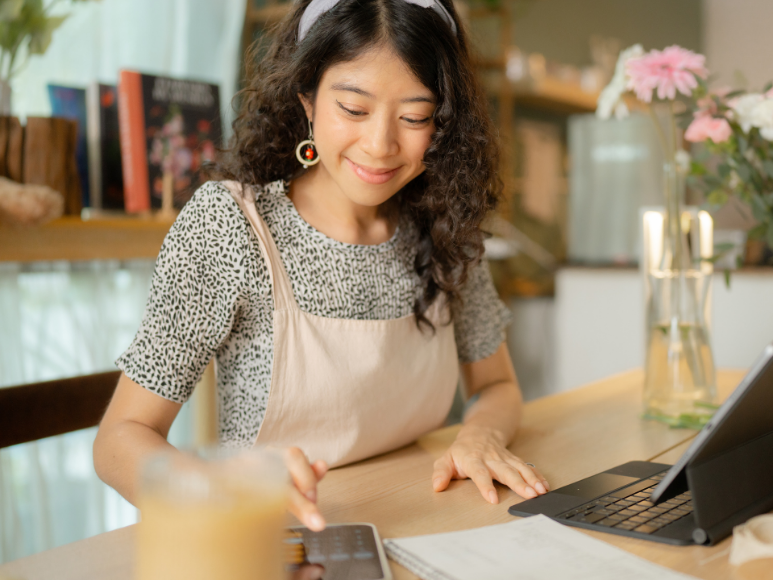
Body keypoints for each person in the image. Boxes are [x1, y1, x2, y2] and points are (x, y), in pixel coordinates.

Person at [93, 0, 548, 532]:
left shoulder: (445, 228)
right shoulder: (232, 225)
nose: (380, 145)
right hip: (276, 540)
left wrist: (480, 435)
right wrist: (215, 489)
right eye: (353, 109)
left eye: (415, 117)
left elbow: (497, 387)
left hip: (427, 522)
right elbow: (118, 439)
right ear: (306, 97)